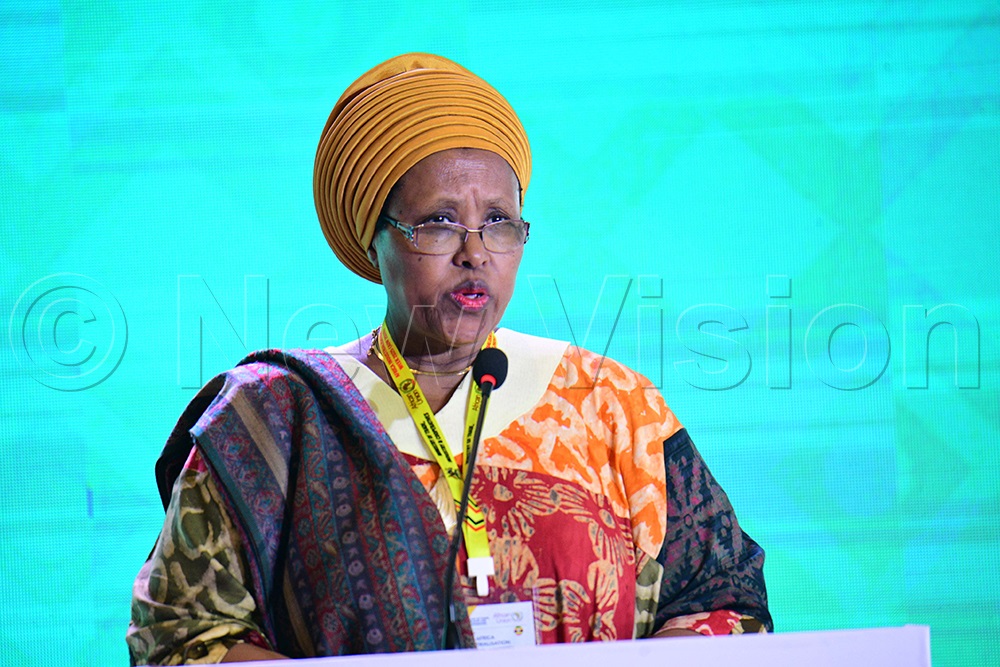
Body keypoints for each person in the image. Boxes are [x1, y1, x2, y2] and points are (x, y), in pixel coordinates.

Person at [127, 53, 771, 665]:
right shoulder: (278, 415)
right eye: (439, 221)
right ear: (374, 238)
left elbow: (726, 602)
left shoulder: (610, 404)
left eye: (499, 221)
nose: (475, 252)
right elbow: (181, 638)